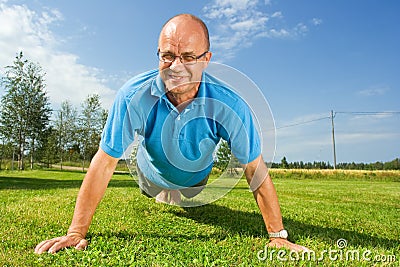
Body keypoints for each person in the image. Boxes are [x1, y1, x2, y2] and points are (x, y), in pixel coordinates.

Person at [35, 13, 308, 254]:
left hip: (197, 175)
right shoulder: (133, 96)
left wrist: (277, 235)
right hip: (149, 171)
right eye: (168, 56)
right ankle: (163, 188)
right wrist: (76, 232)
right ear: (158, 54)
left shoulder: (230, 105)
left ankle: (179, 189)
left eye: (188, 57)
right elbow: (104, 161)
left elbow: (254, 168)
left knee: (189, 193)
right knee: (155, 189)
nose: (176, 66)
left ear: (206, 60)